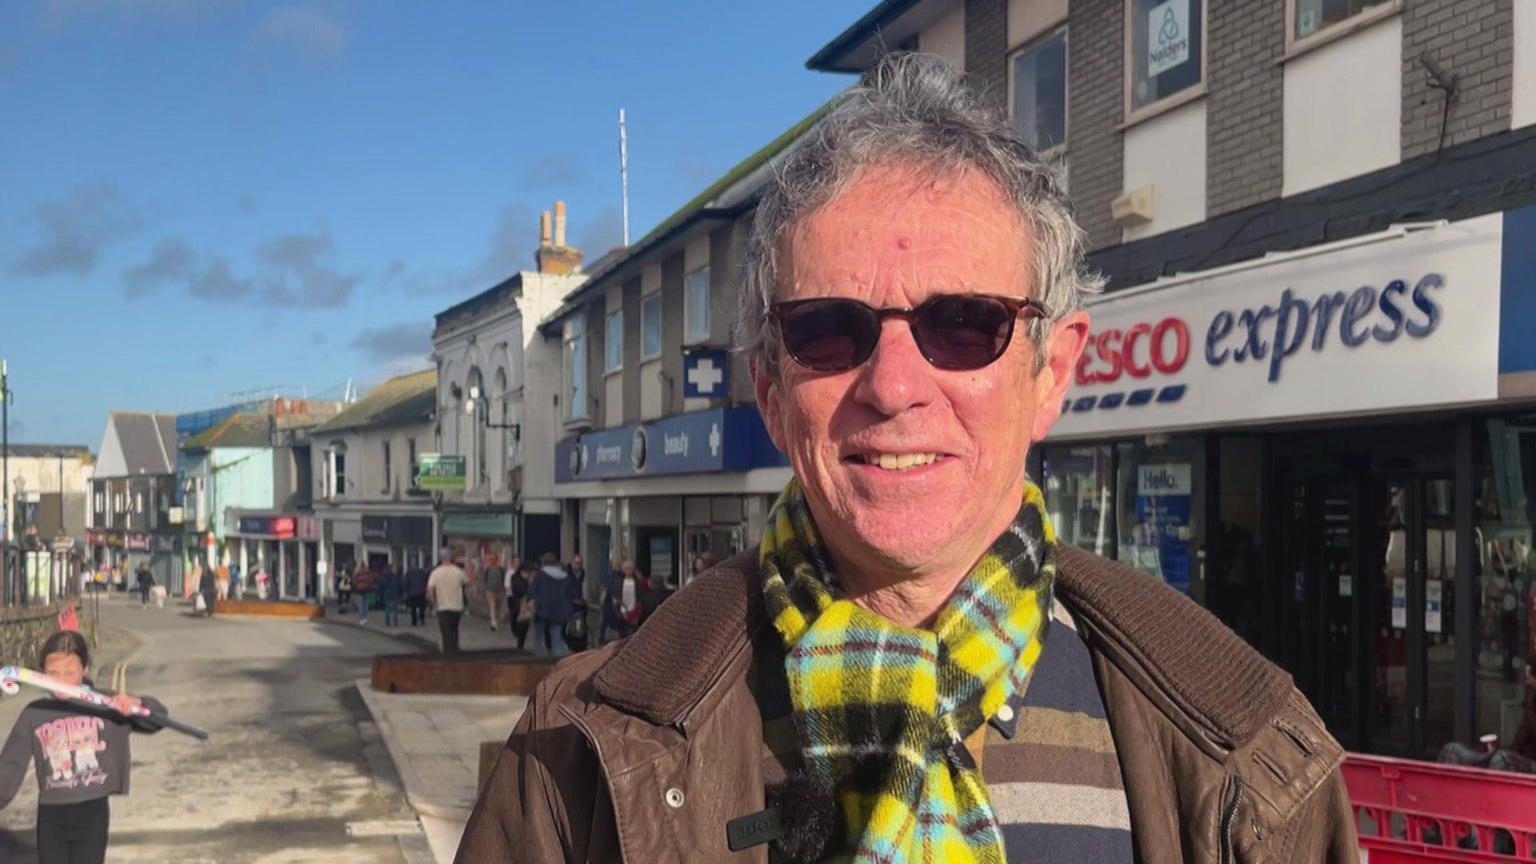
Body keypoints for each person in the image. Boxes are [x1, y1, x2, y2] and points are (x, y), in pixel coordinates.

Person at [459, 55, 1356, 864]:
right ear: (770, 392)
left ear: (1053, 373)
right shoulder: (579, 751)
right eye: (828, 329)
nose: (893, 386)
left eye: (964, 324)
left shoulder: (1246, 748)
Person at [0, 630, 167, 864]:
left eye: (69, 673)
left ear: (85, 668)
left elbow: (156, 719)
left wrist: (137, 704)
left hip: (93, 813)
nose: (61, 680)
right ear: (40, 673)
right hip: (52, 816)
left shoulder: (106, 705)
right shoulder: (35, 713)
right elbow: (9, 766)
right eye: (52, 673)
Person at [527, 553, 577, 658]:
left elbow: (531, 591)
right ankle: (557, 664)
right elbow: (572, 593)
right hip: (560, 613)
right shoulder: (565, 577)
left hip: (541, 611)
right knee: (556, 638)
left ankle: (537, 662)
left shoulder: (540, 575)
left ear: (543, 563)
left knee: (538, 638)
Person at [427, 549, 468, 654]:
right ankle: (455, 650)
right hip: (456, 607)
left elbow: (430, 589)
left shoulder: (436, 572)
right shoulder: (458, 571)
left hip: (442, 607)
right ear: (451, 558)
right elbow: (466, 581)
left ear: (440, 558)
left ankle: (448, 653)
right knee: (454, 630)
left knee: (446, 632)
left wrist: (434, 603)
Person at [507, 560, 535, 651]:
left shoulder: (520, 580)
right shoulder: (518, 580)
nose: (528, 575)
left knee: (523, 627)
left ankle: (520, 644)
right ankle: (520, 646)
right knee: (522, 626)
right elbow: (523, 592)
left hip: (521, 606)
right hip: (519, 606)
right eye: (527, 573)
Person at [482, 556, 506, 632]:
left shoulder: (501, 569)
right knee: (492, 606)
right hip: (490, 591)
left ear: (496, 560)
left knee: (498, 607)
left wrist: (503, 589)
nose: (492, 561)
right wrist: (485, 589)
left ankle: (495, 620)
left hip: (500, 591)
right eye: (491, 559)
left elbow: (503, 579)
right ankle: (493, 623)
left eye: (494, 559)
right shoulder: (487, 570)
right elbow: (485, 579)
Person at [403, 560, 430, 627]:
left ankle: (414, 622)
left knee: (413, 608)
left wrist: (405, 592)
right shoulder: (422, 573)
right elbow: (426, 581)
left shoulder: (409, 573)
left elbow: (406, 583)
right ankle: (421, 620)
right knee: (421, 607)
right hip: (421, 592)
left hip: (412, 593)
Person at [378, 561, 402, 628]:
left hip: (387, 594)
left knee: (387, 609)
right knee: (395, 610)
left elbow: (381, 586)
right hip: (395, 594)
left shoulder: (383, 576)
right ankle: (395, 623)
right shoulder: (395, 576)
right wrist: (401, 593)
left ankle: (388, 623)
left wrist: (379, 594)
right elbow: (400, 585)